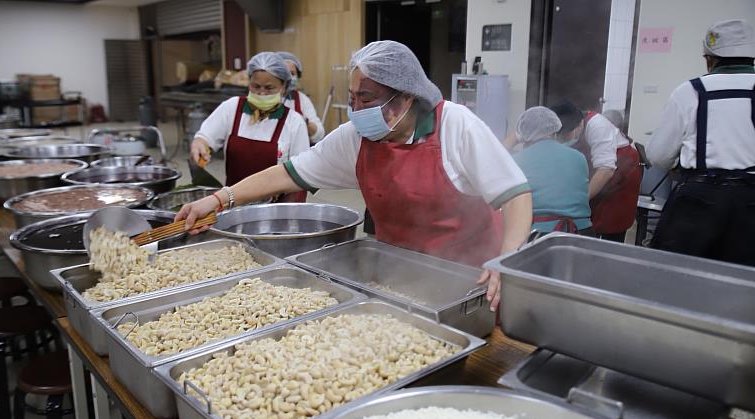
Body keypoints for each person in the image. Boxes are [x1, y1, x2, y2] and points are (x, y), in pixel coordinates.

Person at [178, 41, 533, 309]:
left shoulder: (456, 125)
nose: (356, 109)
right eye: (353, 98)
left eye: (367, 98)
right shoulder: (356, 138)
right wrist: (218, 198)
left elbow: (515, 194)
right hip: (399, 276)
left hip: (470, 280)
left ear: (406, 97)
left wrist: (504, 258)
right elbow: (288, 174)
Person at [646, 19, 755, 266]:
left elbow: (658, 155)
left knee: (678, 273)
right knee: (743, 282)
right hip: (751, 203)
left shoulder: (689, 91)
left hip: (699, 199)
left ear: (709, 58)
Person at [190, 52, 310, 202]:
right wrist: (200, 143)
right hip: (233, 205)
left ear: (284, 88)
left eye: (269, 88)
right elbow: (205, 137)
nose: (261, 93)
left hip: (275, 210)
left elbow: (301, 173)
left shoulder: (294, 122)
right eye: (256, 86)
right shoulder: (232, 108)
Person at [551, 100, 642, 242]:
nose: (566, 139)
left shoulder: (597, 125)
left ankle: (608, 257)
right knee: (591, 217)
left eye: (568, 134)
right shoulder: (558, 128)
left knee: (611, 223)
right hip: (599, 169)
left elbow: (606, 170)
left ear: (579, 124)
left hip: (622, 171)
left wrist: (580, 199)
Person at [512, 107, 593, 235]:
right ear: (555, 131)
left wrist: (514, 139)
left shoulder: (516, 161)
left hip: (539, 235)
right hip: (582, 233)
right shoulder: (578, 157)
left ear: (523, 136)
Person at [278, 51, 326, 144]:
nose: (289, 77)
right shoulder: (265, 99)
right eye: (285, 73)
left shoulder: (301, 99)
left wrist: (305, 122)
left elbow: (319, 134)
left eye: (292, 73)